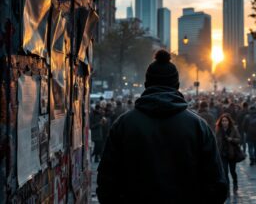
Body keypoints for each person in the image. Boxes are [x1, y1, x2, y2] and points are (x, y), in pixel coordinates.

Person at [97, 50, 228, 204]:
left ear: (146, 85)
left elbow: (106, 183)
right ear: (177, 85)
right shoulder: (198, 126)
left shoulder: (123, 125)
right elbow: (217, 184)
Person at [215, 113, 241, 194]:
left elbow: (239, 139)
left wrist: (231, 139)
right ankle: (227, 188)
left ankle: (235, 183)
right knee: (225, 172)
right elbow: (216, 142)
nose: (224, 122)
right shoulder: (218, 130)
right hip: (222, 154)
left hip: (232, 154)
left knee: (233, 171)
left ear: (229, 121)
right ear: (220, 122)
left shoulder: (234, 129)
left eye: (226, 121)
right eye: (223, 121)